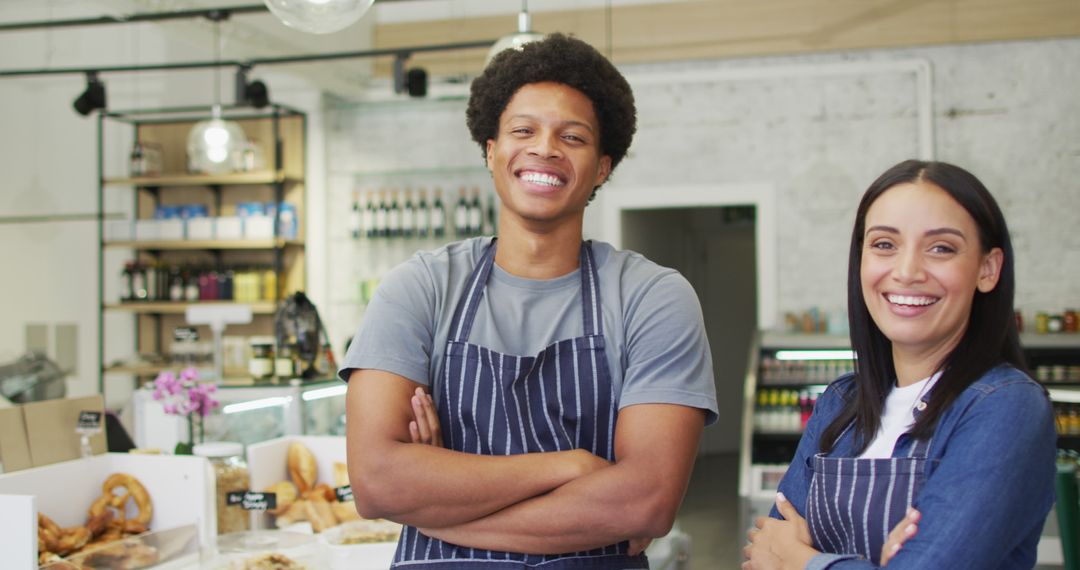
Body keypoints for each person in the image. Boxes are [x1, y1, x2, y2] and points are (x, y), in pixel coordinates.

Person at [340, 33, 718, 569]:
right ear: (491, 151)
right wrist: (572, 467)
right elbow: (378, 483)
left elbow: (646, 502)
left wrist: (435, 505)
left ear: (602, 168)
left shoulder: (652, 297)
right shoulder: (420, 287)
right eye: (523, 130)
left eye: (573, 136)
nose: (544, 148)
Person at [743, 160, 1056, 569]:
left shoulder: (1006, 408)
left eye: (941, 248)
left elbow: (781, 558)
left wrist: (805, 561)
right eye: (884, 245)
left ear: (987, 268)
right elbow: (762, 555)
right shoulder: (841, 403)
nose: (907, 272)